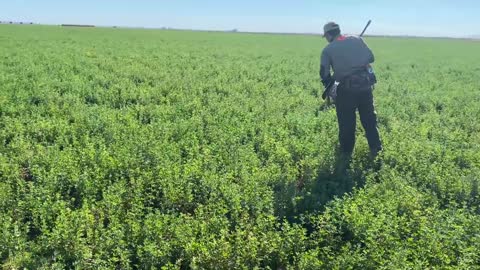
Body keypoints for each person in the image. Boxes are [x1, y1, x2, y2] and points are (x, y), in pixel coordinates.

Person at [320, 22, 383, 158]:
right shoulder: (356, 39)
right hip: (365, 87)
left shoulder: (328, 50)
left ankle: (346, 155)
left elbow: (324, 74)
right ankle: (376, 150)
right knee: (369, 120)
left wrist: (331, 86)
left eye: (326, 36)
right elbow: (371, 58)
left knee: (347, 124)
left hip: (345, 91)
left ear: (329, 35)